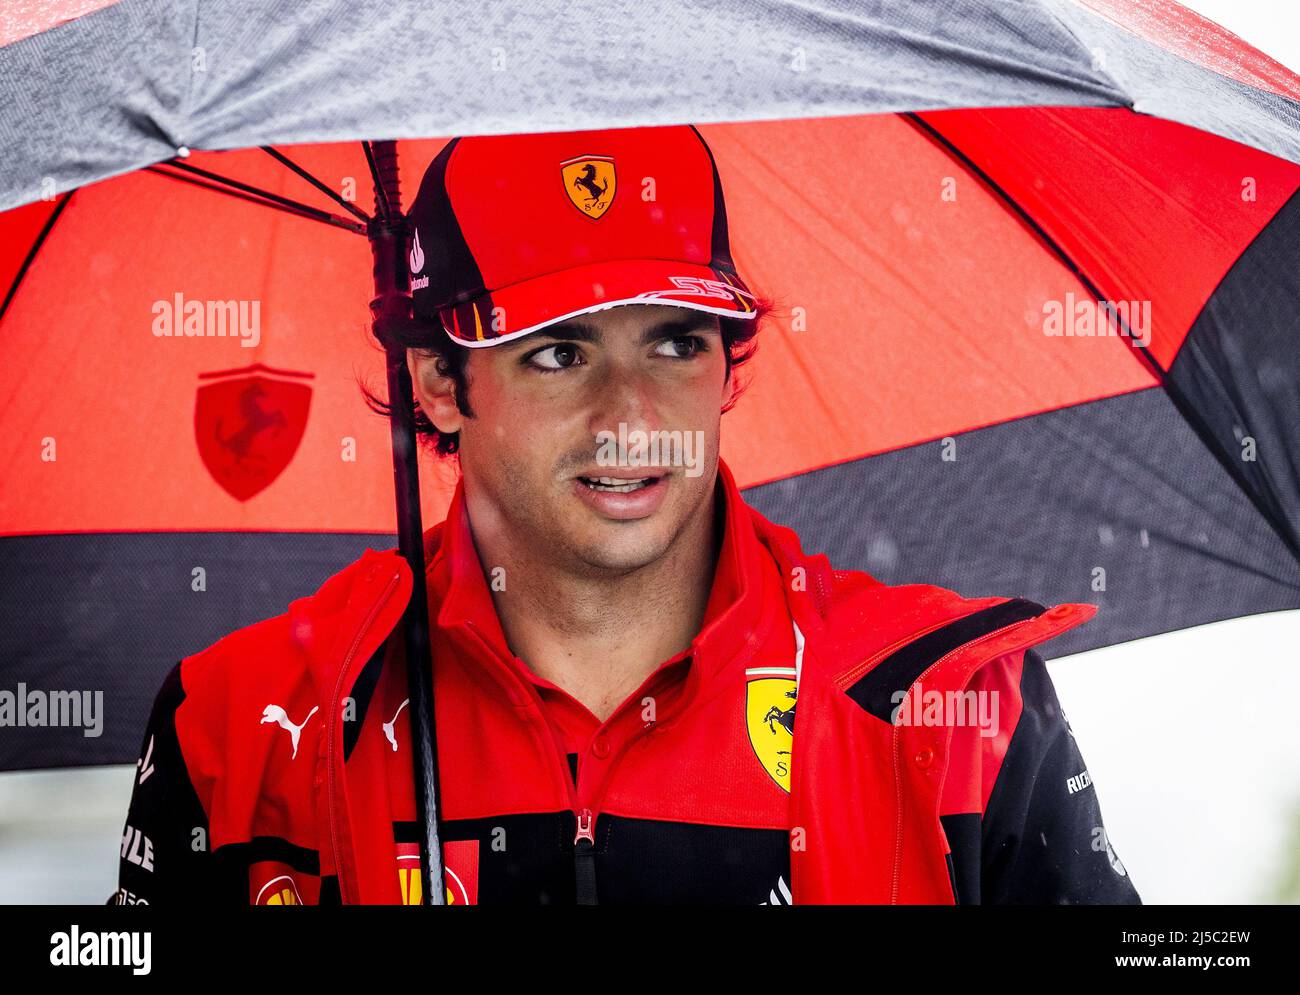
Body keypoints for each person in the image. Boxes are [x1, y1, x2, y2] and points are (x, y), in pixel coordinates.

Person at [114, 124, 1139, 905]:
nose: (631, 417)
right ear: (435, 382)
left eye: (676, 342)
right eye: (558, 352)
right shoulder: (238, 727)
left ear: (728, 366)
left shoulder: (956, 709)